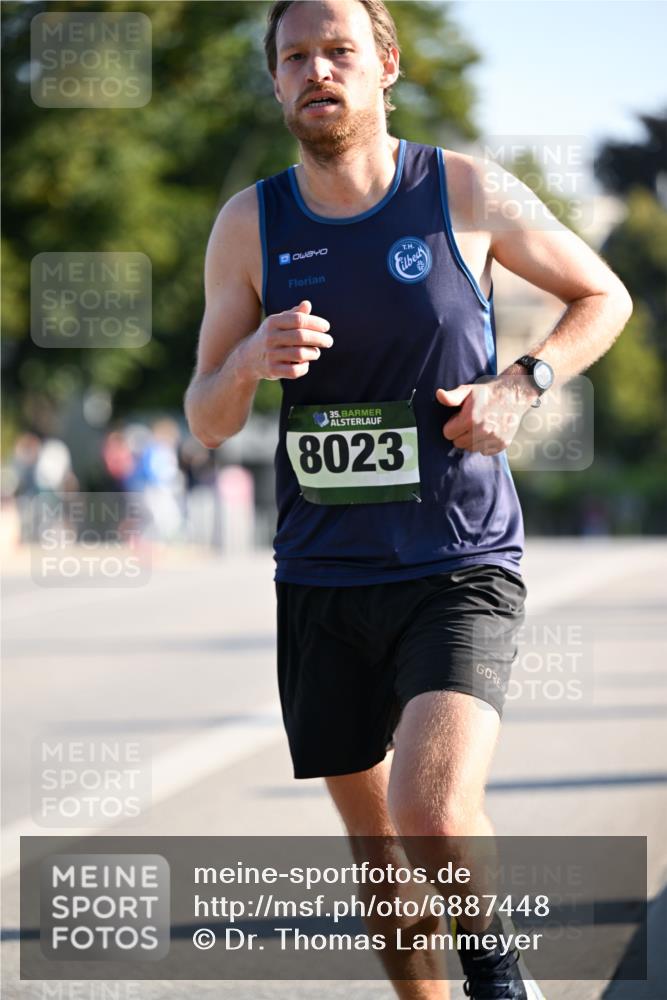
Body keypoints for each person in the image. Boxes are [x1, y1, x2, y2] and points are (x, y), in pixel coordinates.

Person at [184, 2, 633, 996]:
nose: (316, 72)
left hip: (457, 560)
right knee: (384, 856)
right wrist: (251, 361)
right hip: (322, 575)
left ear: (384, 62)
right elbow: (205, 416)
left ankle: (501, 981)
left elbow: (603, 294)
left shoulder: (461, 190)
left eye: (337, 50)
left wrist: (520, 384)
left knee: (430, 813)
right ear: (275, 81)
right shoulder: (249, 224)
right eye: (293, 57)